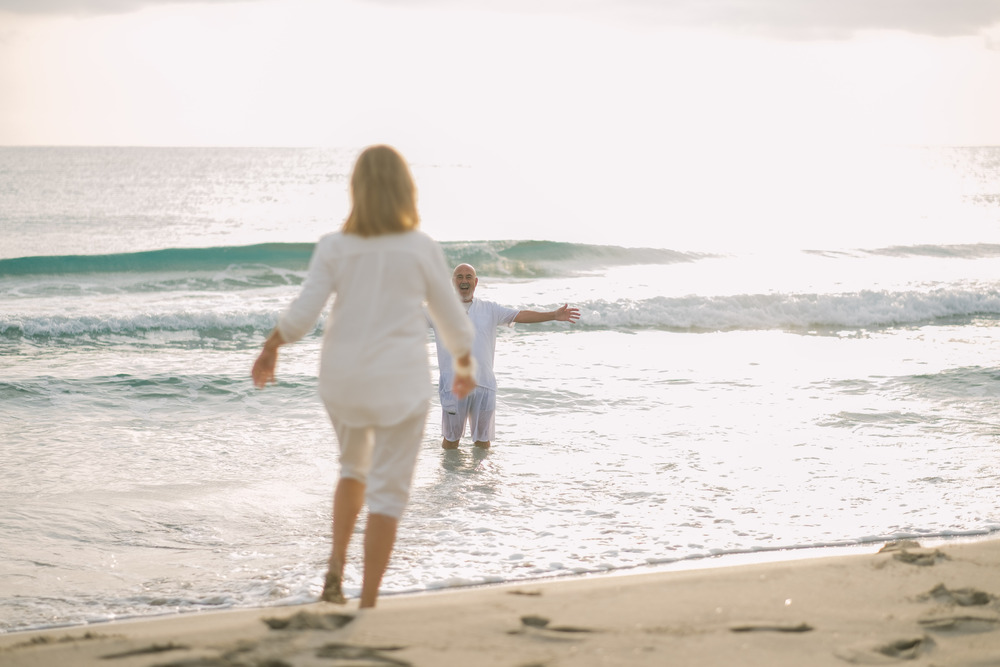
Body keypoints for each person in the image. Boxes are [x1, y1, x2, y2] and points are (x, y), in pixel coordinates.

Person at [251, 145, 476, 609]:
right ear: (405, 189)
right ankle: (368, 602)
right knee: (389, 490)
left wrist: (271, 347)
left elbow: (303, 313)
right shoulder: (420, 246)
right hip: (400, 383)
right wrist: (466, 364)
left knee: (353, 468)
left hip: (343, 382)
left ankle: (335, 570)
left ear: (356, 190)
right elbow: (452, 320)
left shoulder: (336, 246)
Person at [432, 262, 580, 450]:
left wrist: (553, 315)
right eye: (459, 277)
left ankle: (480, 480)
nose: (464, 280)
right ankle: (450, 478)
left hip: (484, 385)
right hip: (453, 386)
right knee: (451, 441)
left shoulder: (490, 309)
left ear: (475, 282)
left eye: (468, 277)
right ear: (453, 282)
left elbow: (519, 315)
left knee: (483, 443)